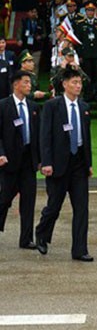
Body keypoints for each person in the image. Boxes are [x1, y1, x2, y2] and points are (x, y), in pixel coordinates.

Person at [35, 68, 93, 261]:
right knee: (54, 206)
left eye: (80, 82)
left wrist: (89, 163)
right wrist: (46, 162)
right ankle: (42, 234)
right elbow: (45, 136)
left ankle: (79, 249)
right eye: (74, 82)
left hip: (79, 165)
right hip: (59, 164)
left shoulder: (84, 107)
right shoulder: (52, 106)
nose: (78, 86)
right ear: (65, 84)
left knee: (82, 208)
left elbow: (87, 138)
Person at [0, 71, 40, 249]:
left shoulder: (33, 107)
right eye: (25, 82)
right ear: (16, 85)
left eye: (30, 82)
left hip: (28, 161)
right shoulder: (3, 106)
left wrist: (40, 159)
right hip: (9, 160)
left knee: (29, 201)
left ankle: (26, 238)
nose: (29, 85)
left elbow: (38, 135)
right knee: (4, 199)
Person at [74, 1, 97, 103]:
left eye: (92, 10)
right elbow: (78, 41)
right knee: (87, 74)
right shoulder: (80, 24)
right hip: (86, 53)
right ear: (85, 12)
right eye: (88, 10)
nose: (90, 13)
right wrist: (79, 54)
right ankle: (88, 93)